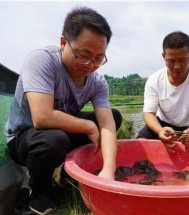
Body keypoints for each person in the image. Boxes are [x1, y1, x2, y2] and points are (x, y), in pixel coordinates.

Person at [5, 7, 122, 215]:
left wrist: (109, 170)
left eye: (98, 58)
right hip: (26, 137)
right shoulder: (42, 60)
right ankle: (39, 189)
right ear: (63, 43)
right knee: (54, 139)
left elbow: (107, 124)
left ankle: (70, 180)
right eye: (84, 56)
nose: (90, 65)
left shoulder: (97, 81)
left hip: (60, 129)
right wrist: (87, 125)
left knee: (113, 116)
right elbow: (41, 117)